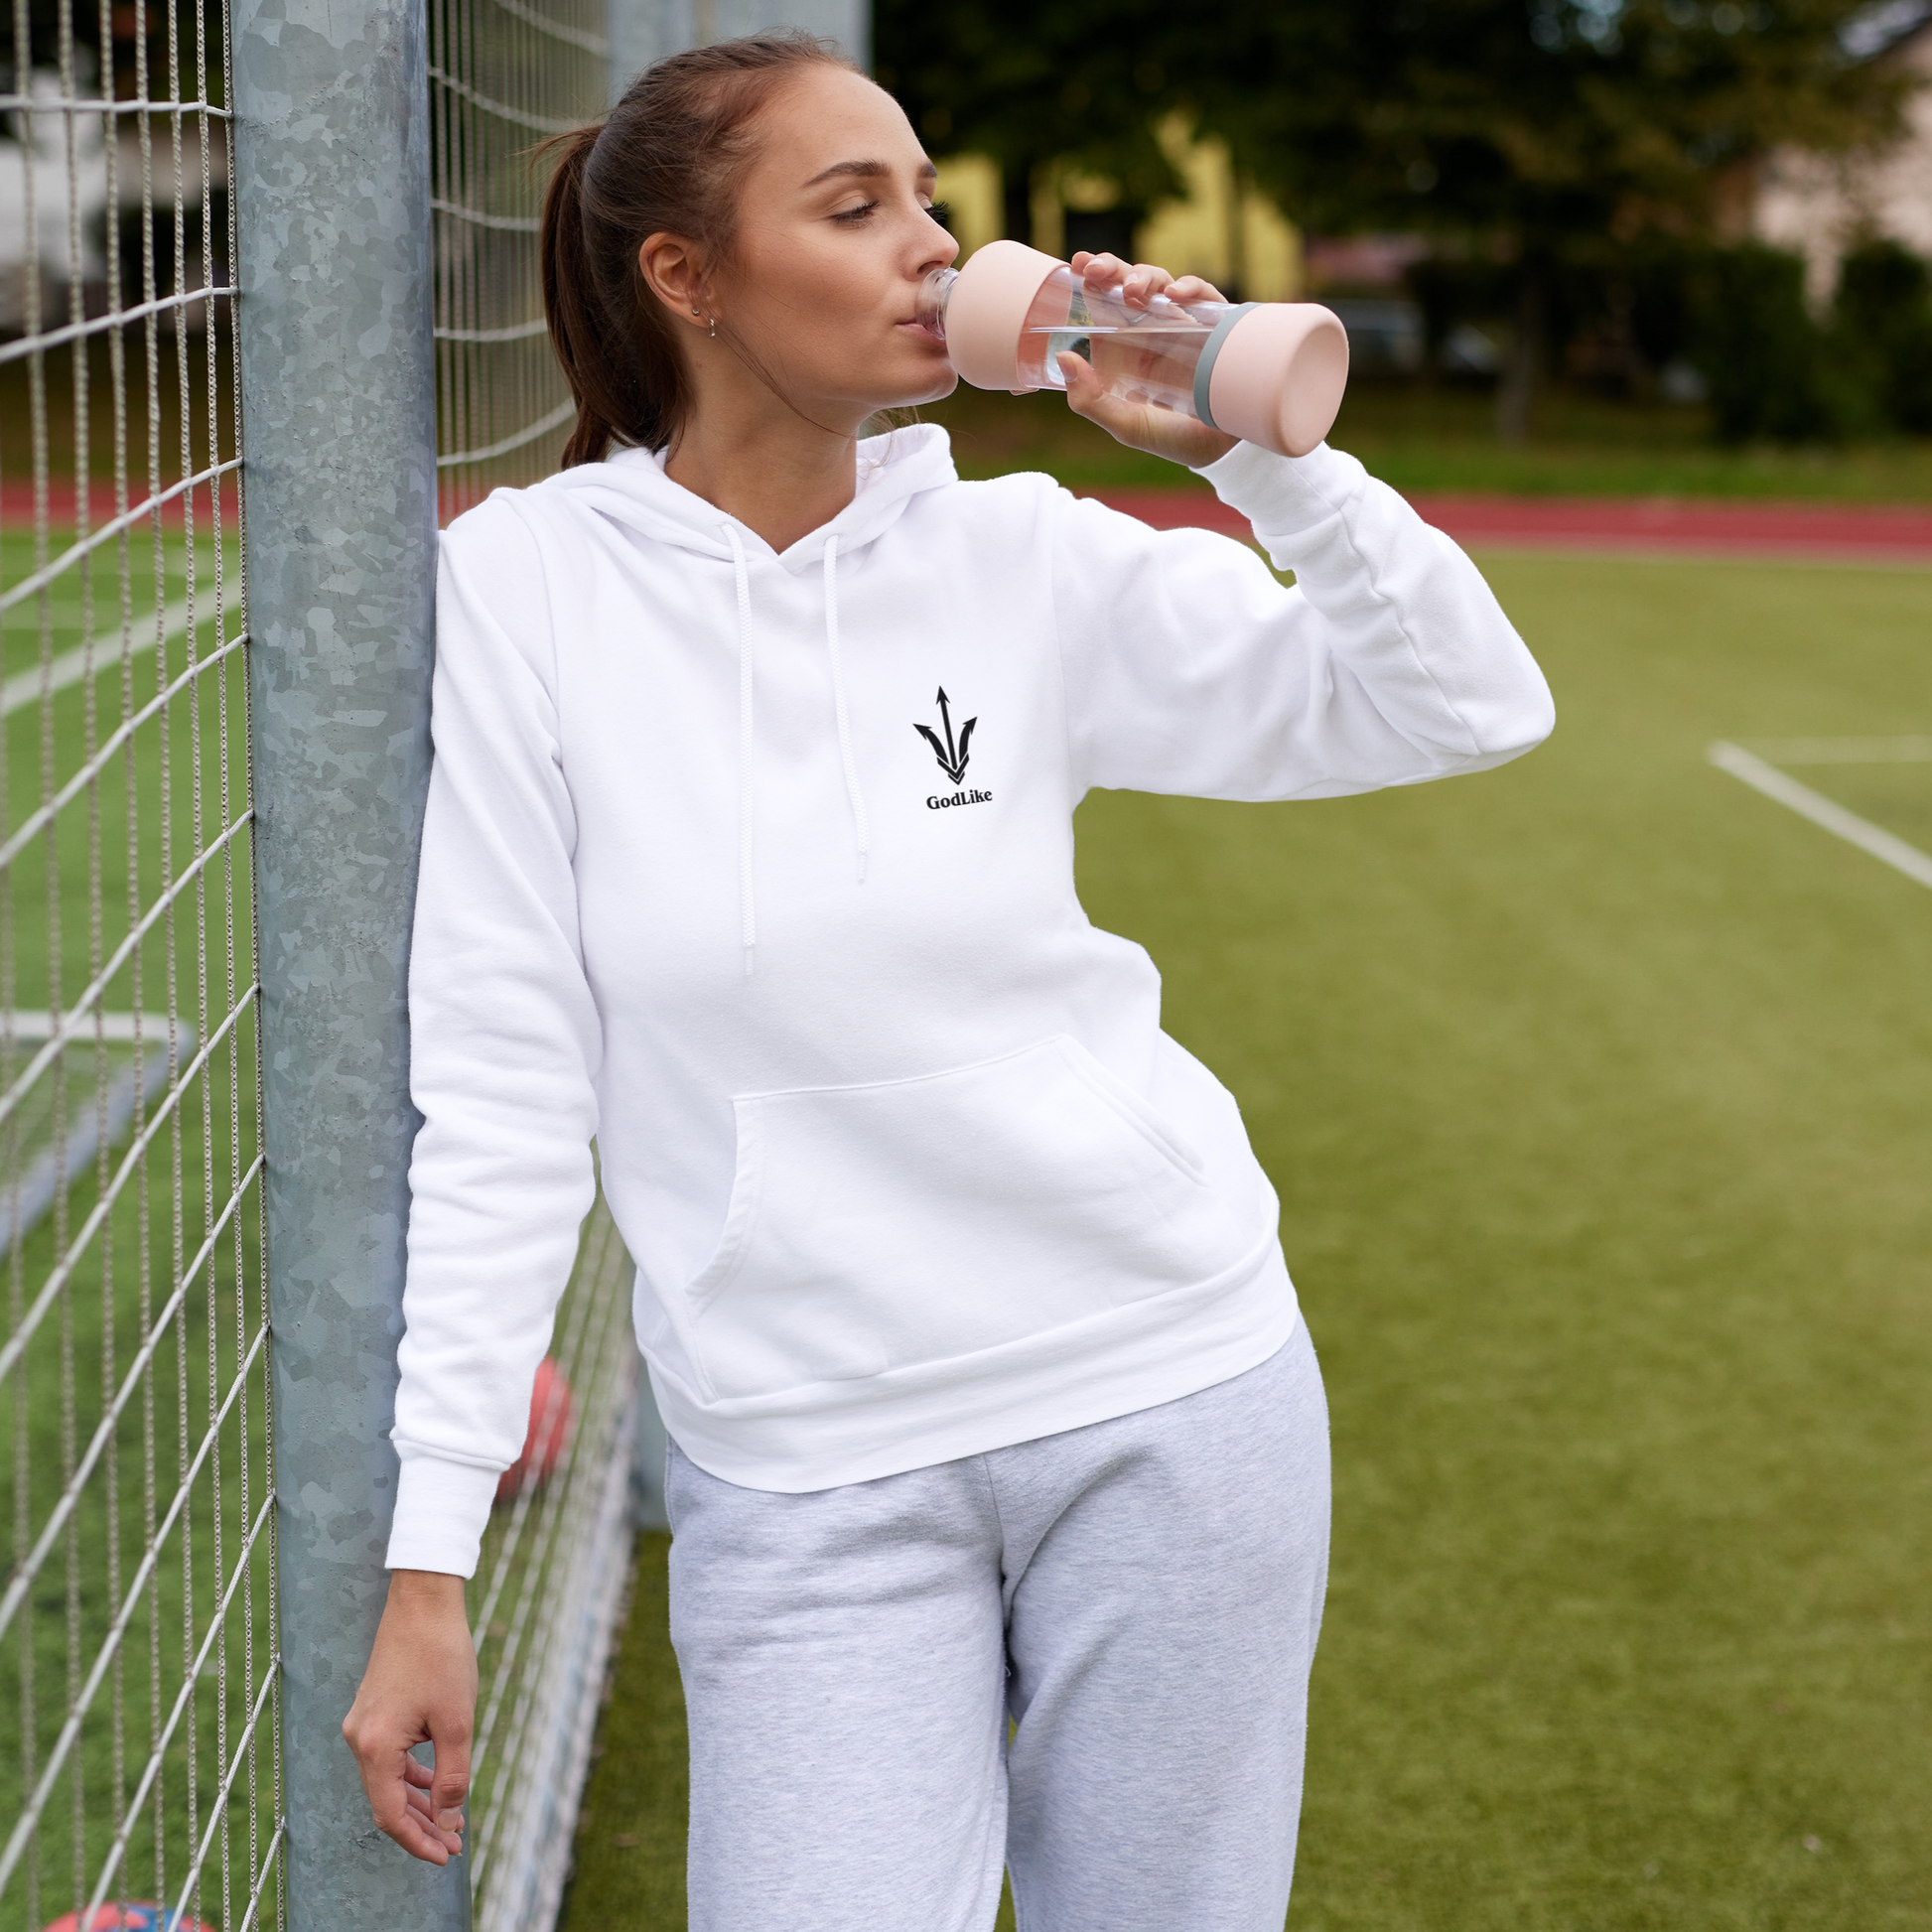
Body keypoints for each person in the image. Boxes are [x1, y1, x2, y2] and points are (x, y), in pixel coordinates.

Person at [343, 31, 1554, 1931]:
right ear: (688, 277)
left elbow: (1467, 705)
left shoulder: (1024, 555)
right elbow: (502, 1088)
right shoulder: (524, 592)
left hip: (1171, 1390)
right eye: (854, 207)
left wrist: (1256, 455)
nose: (928, 246)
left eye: (926, 198)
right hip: (805, 1468)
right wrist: (431, 1562)